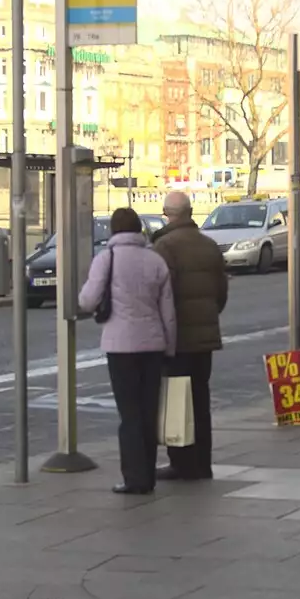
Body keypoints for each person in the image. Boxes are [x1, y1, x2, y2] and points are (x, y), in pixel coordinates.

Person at [80, 207, 177, 495]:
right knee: (148, 411)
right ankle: (148, 473)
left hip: (120, 346)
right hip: (153, 345)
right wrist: (169, 347)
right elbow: (168, 310)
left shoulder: (105, 259)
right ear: (139, 230)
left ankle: (134, 478)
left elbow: (87, 300)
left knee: (129, 414)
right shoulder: (155, 260)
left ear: (113, 230)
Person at [151, 190, 228, 481]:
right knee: (200, 399)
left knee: (176, 400)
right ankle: (202, 462)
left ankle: (181, 463)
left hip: (177, 337)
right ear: (191, 211)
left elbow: (162, 294)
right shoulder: (209, 246)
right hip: (205, 336)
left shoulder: (164, 245)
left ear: (167, 213)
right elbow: (221, 292)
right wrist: (209, 316)